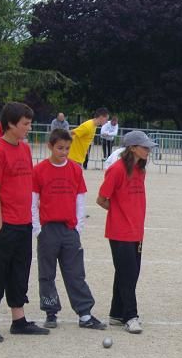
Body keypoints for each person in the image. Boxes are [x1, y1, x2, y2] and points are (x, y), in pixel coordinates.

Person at [0, 102, 49, 342]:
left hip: (24, 222)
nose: (29, 128)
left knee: (20, 271)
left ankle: (19, 320)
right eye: (25, 124)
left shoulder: (25, 149)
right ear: (11, 124)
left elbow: (27, 185)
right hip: (4, 224)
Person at [32, 129, 106, 330]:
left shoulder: (75, 169)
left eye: (67, 148)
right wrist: (38, 229)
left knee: (75, 272)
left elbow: (79, 199)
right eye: (60, 148)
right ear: (50, 147)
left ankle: (84, 313)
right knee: (47, 273)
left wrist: (78, 227)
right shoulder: (39, 170)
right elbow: (33, 201)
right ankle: (50, 311)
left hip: (69, 229)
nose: (64, 152)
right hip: (48, 230)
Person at [96, 130, 156, 334]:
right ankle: (131, 316)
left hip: (136, 231)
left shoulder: (140, 170)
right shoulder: (117, 170)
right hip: (120, 231)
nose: (148, 150)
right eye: (145, 147)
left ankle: (116, 312)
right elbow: (102, 198)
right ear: (132, 148)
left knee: (128, 273)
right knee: (128, 274)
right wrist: (118, 212)